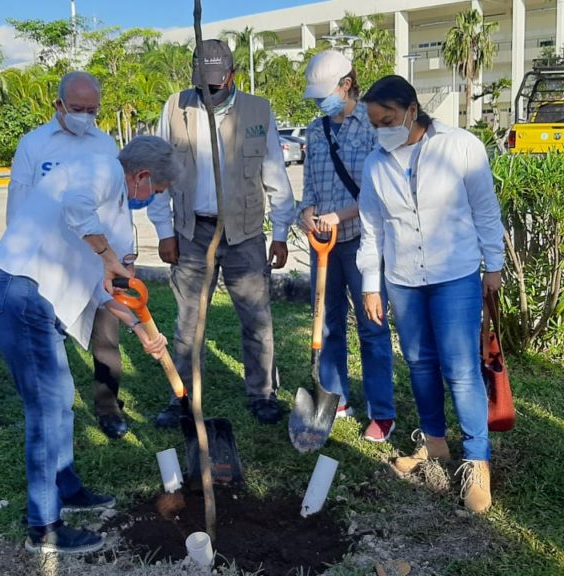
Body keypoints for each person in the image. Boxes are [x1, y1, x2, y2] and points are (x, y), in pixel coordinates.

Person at [0, 136, 177, 555]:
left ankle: (66, 486)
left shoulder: (117, 205)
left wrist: (146, 334)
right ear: (141, 176)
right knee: (47, 411)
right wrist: (108, 256)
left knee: (61, 400)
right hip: (19, 292)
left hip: (38, 302)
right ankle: (44, 527)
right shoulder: (101, 169)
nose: (152, 198)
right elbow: (76, 209)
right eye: (156, 191)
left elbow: (107, 292)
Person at [357, 76, 505, 514]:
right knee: (419, 363)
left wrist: (493, 266)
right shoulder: (375, 164)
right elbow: (372, 229)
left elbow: (485, 208)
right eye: (374, 123)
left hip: (454, 274)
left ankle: (477, 462)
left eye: (387, 120)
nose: (381, 130)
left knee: (461, 370)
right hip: (403, 278)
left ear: (412, 109)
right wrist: (371, 284)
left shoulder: (461, 147)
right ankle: (435, 443)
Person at [148, 39, 296, 427]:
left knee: (256, 319)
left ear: (232, 75)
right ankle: (181, 398)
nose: (210, 92)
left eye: (217, 84)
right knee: (188, 323)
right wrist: (165, 230)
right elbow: (157, 171)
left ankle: (263, 393)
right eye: (203, 85)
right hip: (193, 232)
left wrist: (280, 231)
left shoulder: (257, 111)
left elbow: (275, 174)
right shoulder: (175, 107)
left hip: (244, 233)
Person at [7, 71, 131, 440]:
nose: (85, 116)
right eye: (77, 108)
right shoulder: (34, 145)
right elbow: (19, 205)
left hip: (98, 261)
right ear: (58, 104)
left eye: (92, 109)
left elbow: (119, 207)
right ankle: (53, 410)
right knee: (49, 338)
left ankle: (108, 407)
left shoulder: (106, 144)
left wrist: (125, 254)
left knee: (107, 339)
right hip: (50, 262)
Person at [297, 50, 397, 442]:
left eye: (326, 94)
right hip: (323, 244)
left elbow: (380, 191)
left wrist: (341, 215)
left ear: (346, 85)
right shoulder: (314, 129)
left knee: (372, 328)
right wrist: (307, 212)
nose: (323, 103)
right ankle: (335, 397)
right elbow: (308, 184)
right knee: (327, 323)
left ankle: (382, 412)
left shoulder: (371, 127)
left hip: (363, 242)